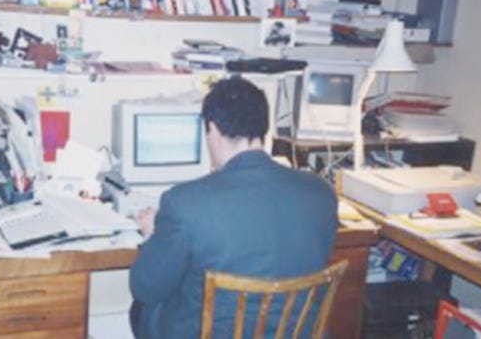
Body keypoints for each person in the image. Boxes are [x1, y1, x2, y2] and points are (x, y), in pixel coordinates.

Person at [129, 76, 339, 338]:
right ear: (264, 127)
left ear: (213, 129)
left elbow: (146, 288)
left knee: (142, 306)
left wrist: (151, 235)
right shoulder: (321, 192)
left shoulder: (183, 202)